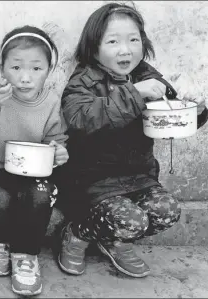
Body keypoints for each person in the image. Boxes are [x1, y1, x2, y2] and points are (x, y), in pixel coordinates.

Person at [57, 3, 208, 279]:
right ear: (93, 48)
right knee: (131, 221)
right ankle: (77, 233)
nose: (125, 49)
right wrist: (134, 93)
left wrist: (193, 110)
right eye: (113, 41)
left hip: (140, 177)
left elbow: (171, 116)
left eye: (133, 40)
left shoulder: (146, 75)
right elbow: (81, 119)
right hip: (92, 182)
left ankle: (114, 240)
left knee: (168, 211)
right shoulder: (84, 81)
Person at [0, 25, 69, 296]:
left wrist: (59, 152)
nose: (25, 78)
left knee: (41, 195)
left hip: (32, 172)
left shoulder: (50, 102)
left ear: (49, 70)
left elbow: (56, 138)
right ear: (2, 68)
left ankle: (26, 255)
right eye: (16, 68)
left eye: (36, 69)